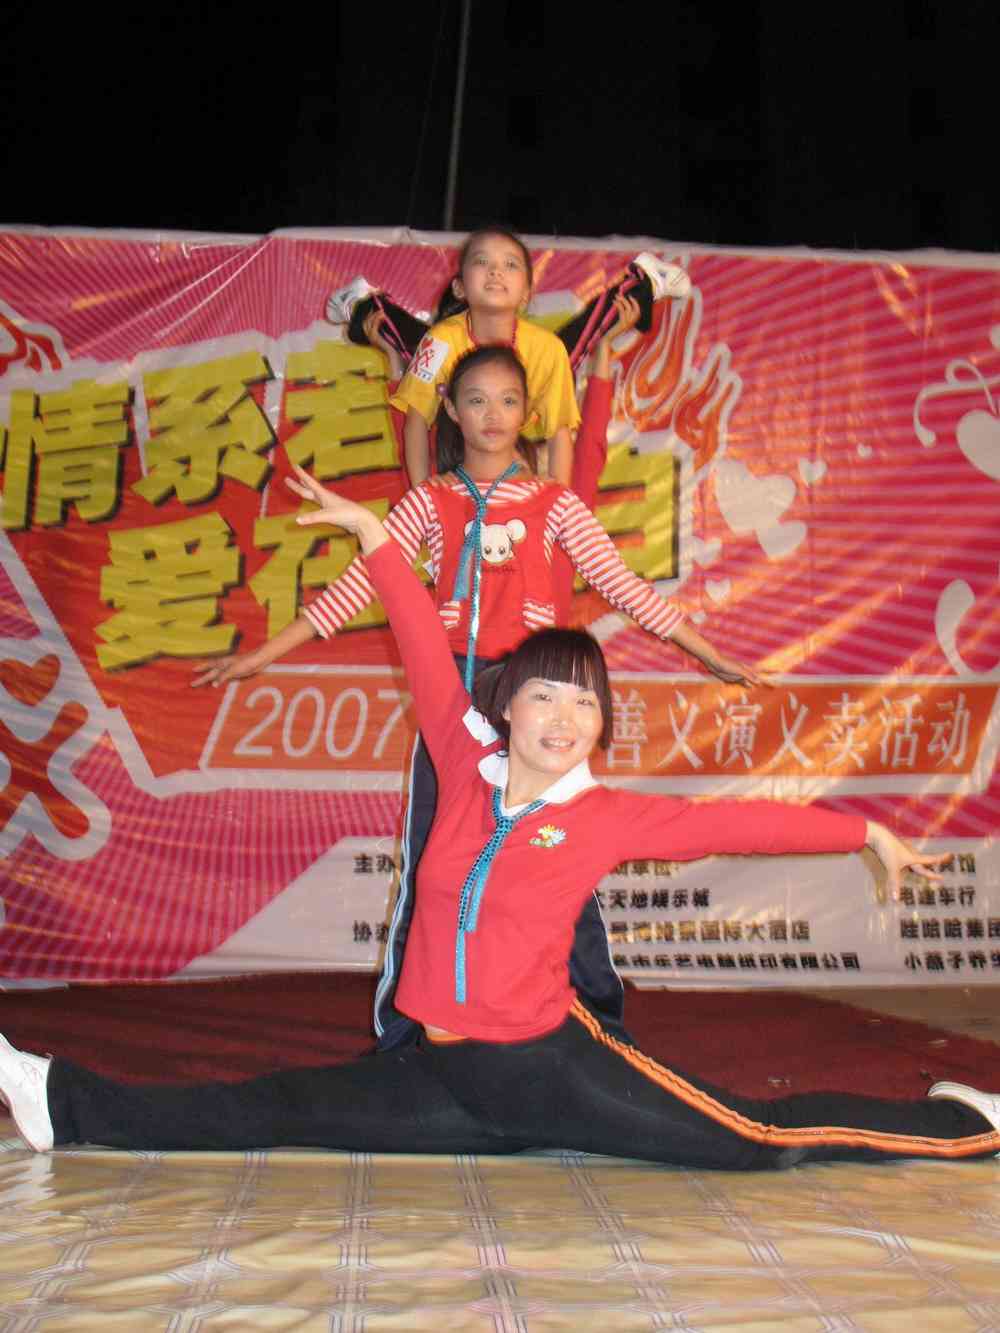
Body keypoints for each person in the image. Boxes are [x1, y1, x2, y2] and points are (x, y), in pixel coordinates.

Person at [3, 487, 998, 1166]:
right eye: (546, 697)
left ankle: (965, 1124)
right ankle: (59, 1098)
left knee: (759, 1137)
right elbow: (419, 643)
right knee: (274, 1104)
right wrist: (377, 537)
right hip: (443, 1072)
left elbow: (737, 822)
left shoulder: (602, 816)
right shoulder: (463, 763)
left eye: (586, 705)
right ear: (509, 704)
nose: (565, 720)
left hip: (550, 1070)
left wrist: (863, 835)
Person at [193, 339, 764, 1051]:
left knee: (564, 863)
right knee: (430, 862)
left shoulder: (555, 504)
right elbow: (360, 586)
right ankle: (404, 1036)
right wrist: (261, 656)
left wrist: (709, 654)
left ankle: (602, 1029)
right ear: (452, 412)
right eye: (476, 400)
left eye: (508, 400)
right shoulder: (427, 502)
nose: (492, 414)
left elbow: (623, 584)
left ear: (527, 412)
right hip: (455, 710)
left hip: (532, 707)